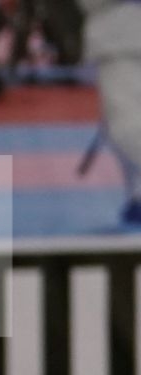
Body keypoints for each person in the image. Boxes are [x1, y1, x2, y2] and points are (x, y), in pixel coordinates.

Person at [80, 0, 141, 225]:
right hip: (120, 31)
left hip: (123, 33)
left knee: (125, 127)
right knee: (126, 121)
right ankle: (137, 197)